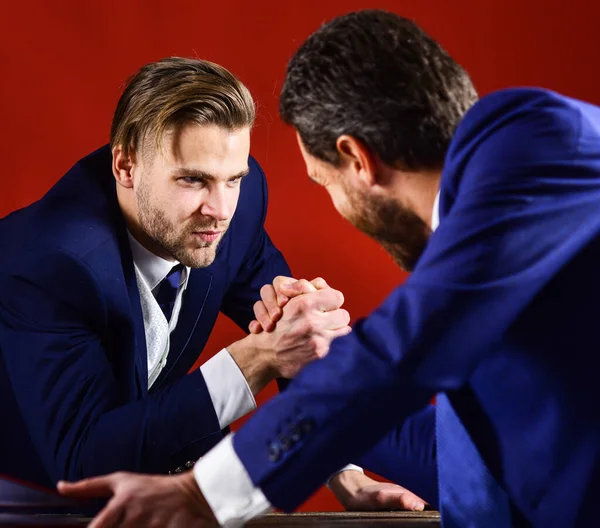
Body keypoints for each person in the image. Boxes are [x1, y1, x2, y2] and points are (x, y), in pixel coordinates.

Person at [59, 8, 600, 526]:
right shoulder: (501, 263)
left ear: (358, 161)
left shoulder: (536, 145)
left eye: (325, 183)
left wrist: (205, 495)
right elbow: (463, 463)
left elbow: (396, 354)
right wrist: (302, 355)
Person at [0, 56, 433, 510]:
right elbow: (80, 464)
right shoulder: (48, 264)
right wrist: (255, 359)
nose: (220, 209)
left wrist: (345, 474)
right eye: (193, 180)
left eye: (234, 179)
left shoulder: (231, 210)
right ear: (126, 167)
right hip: (28, 492)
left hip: (159, 472)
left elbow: (298, 334)